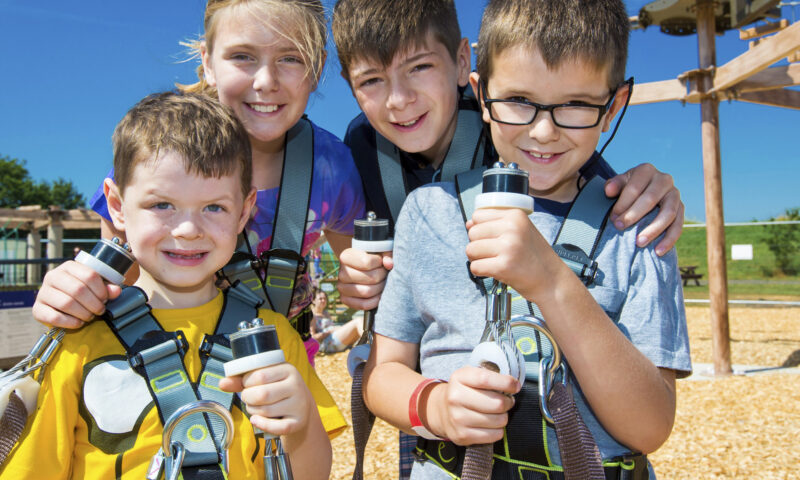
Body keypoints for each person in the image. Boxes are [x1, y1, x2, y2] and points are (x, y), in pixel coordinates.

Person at [361, 0, 692, 478]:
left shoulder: (640, 227)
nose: (543, 131)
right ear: (481, 92)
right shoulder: (428, 213)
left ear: (613, 106)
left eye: (576, 104)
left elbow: (650, 427)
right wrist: (437, 408)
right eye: (518, 100)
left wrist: (552, 282)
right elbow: (382, 375)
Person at [0, 91, 344, 479]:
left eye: (214, 207)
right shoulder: (76, 341)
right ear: (116, 205)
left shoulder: (274, 339)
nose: (188, 230)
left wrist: (298, 425)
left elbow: (312, 473)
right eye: (162, 205)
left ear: (244, 211)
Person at [30, 0, 365, 354]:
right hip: (164, 370)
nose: (266, 81)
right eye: (242, 56)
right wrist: (69, 295)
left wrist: (366, 283)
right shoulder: (158, 154)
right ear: (208, 62)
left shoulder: (333, 170)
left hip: (283, 371)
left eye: (291, 58)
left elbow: (360, 278)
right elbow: (114, 289)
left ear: (317, 67)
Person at [331, 0, 686, 316]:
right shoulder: (361, 145)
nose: (398, 99)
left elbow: (592, 183)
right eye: (372, 80)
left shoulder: (510, 119)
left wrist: (646, 186)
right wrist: (361, 277)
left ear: (460, 63)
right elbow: (363, 258)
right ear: (350, 87)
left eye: (419, 67)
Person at [310, 290, 363, 354]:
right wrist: (329, 332)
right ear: (313, 300)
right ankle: (373, 344)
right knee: (357, 321)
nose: (323, 301)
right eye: (320, 299)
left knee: (357, 327)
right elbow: (312, 337)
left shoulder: (326, 313)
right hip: (328, 343)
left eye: (325, 298)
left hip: (334, 337)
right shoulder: (312, 316)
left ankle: (370, 346)